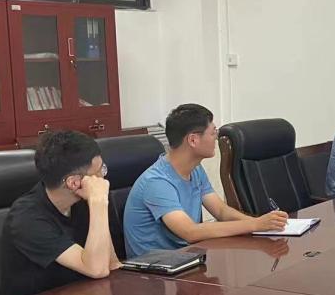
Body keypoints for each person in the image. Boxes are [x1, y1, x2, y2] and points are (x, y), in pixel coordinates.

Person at [123, 103, 288, 257]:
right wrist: (256, 225)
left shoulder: (195, 170)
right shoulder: (157, 182)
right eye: (213, 132)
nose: (216, 138)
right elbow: (190, 232)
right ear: (193, 140)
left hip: (186, 257)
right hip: (155, 268)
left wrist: (264, 224)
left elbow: (221, 211)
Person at [0, 130, 120, 295]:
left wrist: (97, 205)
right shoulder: (26, 219)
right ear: (74, 182)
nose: (103, 178)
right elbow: (97, 269)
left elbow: (111, 263)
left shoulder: (84, 200)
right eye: (99, 171)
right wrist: (98, 203)